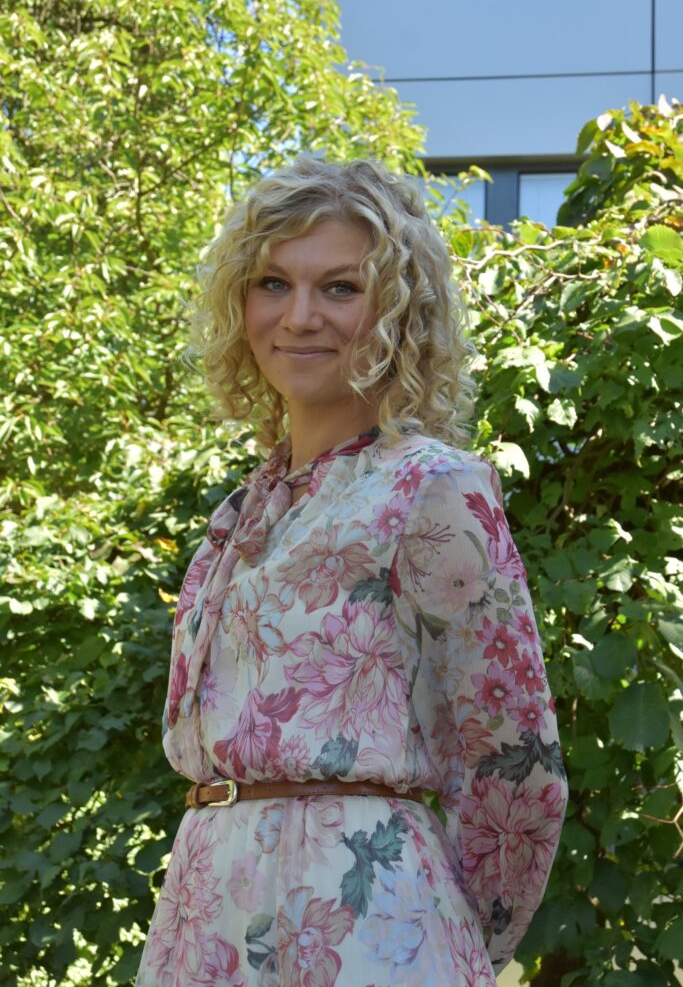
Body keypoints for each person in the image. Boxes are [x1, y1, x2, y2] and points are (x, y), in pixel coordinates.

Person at [135, 158, 568, 987]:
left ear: (399, 312)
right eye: (272, 284)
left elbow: (514, 767)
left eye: (339, 288)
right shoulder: (244, 511)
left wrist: (439, 941)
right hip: (205, 916)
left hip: (364, 927)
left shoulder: (430, 487)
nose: (298, 316)